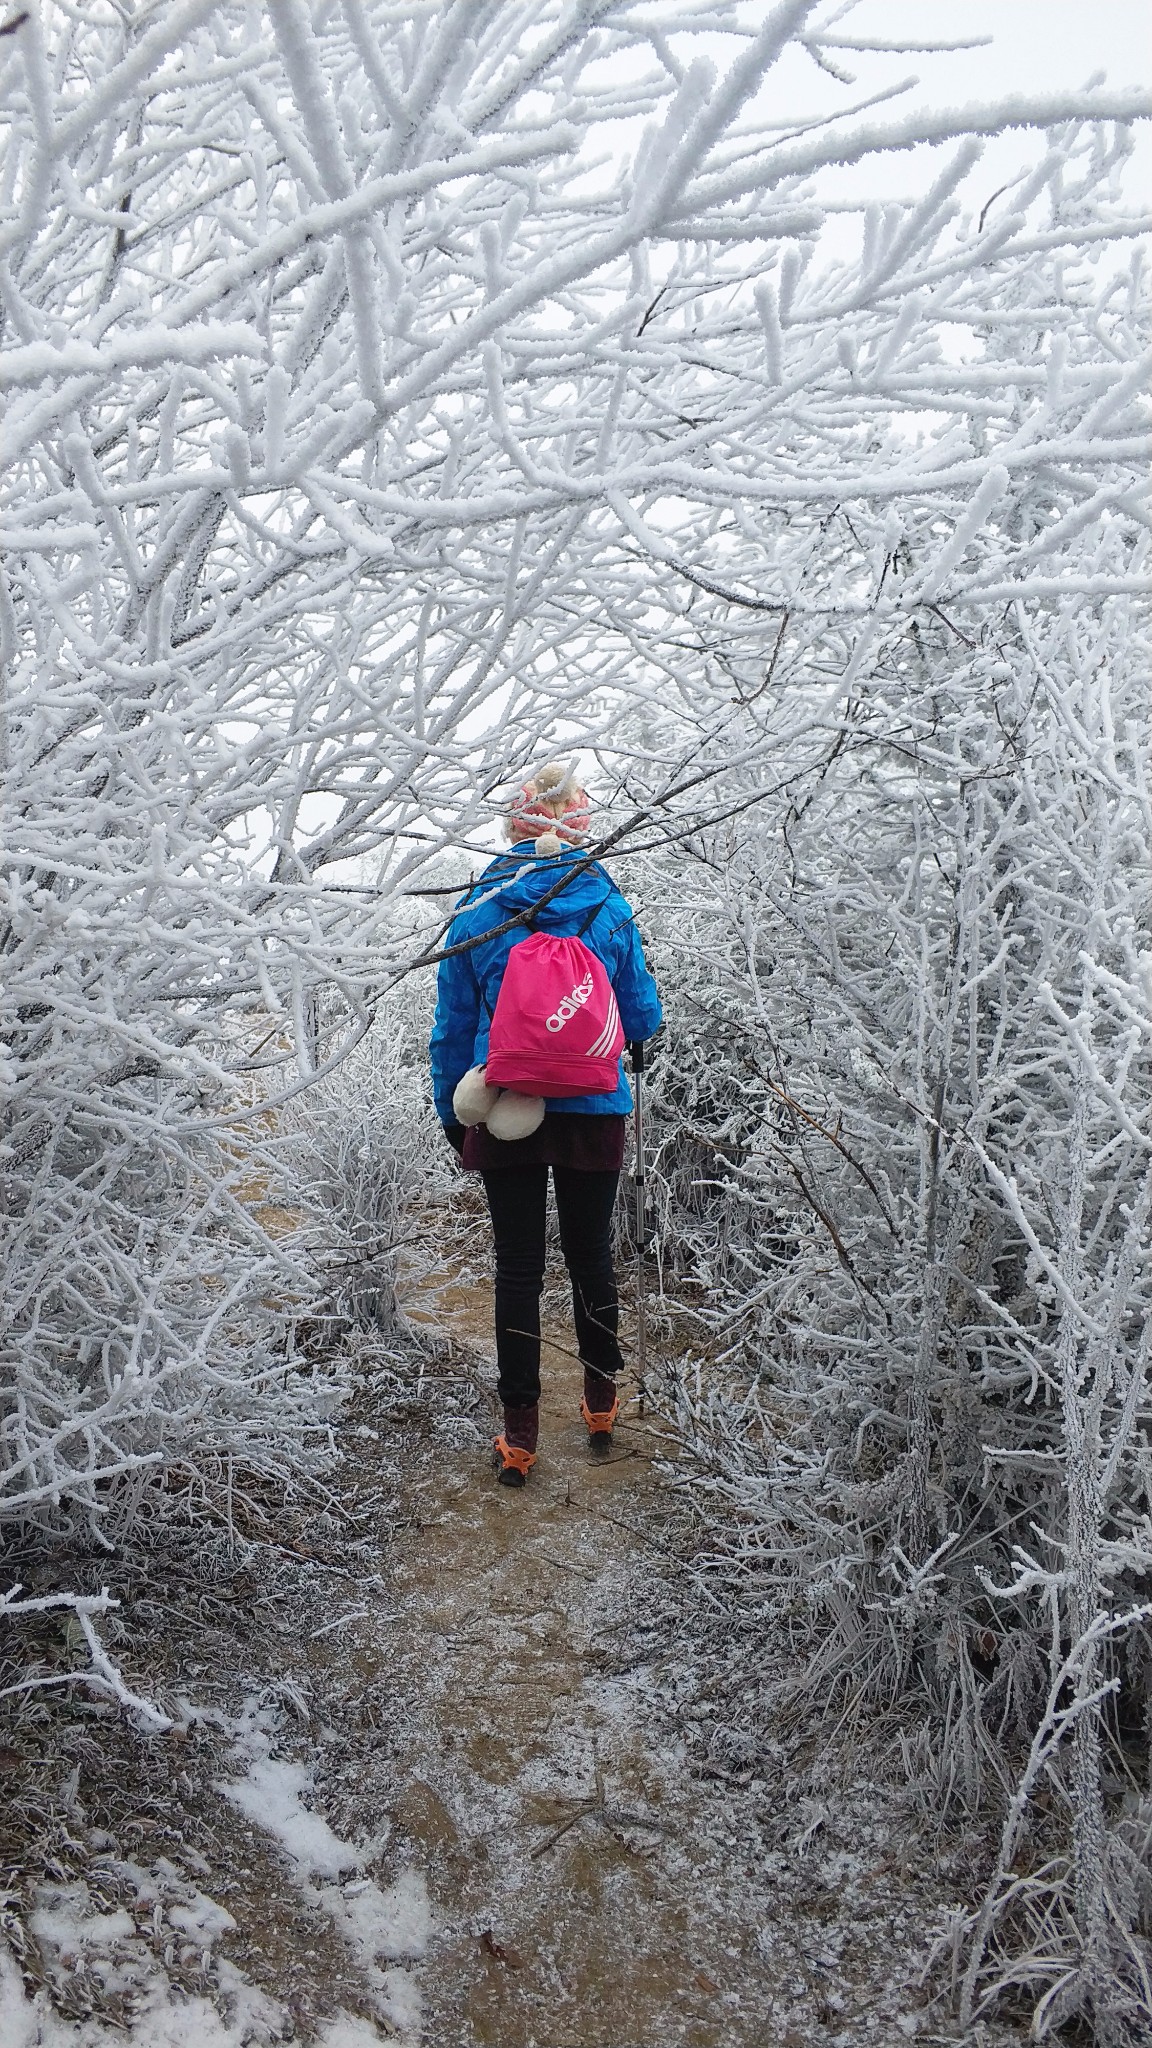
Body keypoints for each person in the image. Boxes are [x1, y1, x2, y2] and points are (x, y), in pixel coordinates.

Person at [429, 764, 662, 1488]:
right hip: (593, 1106)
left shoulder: (483, 902)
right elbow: (643, 1012)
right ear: (580, 822)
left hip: (505, 1106)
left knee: (518, 1269)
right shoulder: (605, 899)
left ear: (514, 824)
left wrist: (452, 1110)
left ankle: (521, 1435)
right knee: (592, 1257)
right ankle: (600, 1404)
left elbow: (453, 1022)